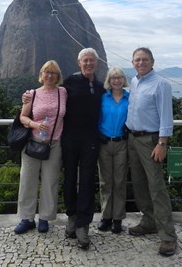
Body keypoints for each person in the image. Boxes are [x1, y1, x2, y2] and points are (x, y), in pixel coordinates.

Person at [125, 47, 178, 257]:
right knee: (138, 184)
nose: (141, 62)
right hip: (132, 138)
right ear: (132, 62)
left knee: (156, 187)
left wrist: (162, 143)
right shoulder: (135, 81)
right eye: (137, 59)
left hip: (151, 140)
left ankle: (168, 237)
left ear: (152, 62)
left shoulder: (161, 84)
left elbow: (166, 116)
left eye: (144, 59)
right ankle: (148, 222)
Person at [14, 60, 67, 235]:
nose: (49, 75)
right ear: (41, 75)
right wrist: (35, 125)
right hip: (33, 144)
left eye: (53, 73)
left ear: (58, 76)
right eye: (46, 72)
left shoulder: (63, 92)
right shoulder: (32, 94)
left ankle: (44, 218)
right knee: (27, 180)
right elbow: (22, 117)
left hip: (54, 144)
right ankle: (27, 218)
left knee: (50, 181)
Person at [61, 48, 105, 249]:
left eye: (92, 61)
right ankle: (72, 215)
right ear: (79, 63)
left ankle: (83, 224)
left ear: (96, 63)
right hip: (70, 138)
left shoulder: (99, 86)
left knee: (87, 180)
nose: (88, 63)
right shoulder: (70, 82)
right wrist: (29, 98)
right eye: (85, 60)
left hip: (91, 140)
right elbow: (53, 97)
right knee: (69, 178)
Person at [97, 67, 129, 234]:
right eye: (113, 78)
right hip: (104, 143)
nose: (116, 81)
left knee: (119, 182)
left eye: (119, 78)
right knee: (105, 182)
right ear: (109, 80)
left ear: (124, 80)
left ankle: (118, 218)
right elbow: (96, 118)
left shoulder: (129, 98)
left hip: (122, 143)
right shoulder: (103, 98)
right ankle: (106, 216)